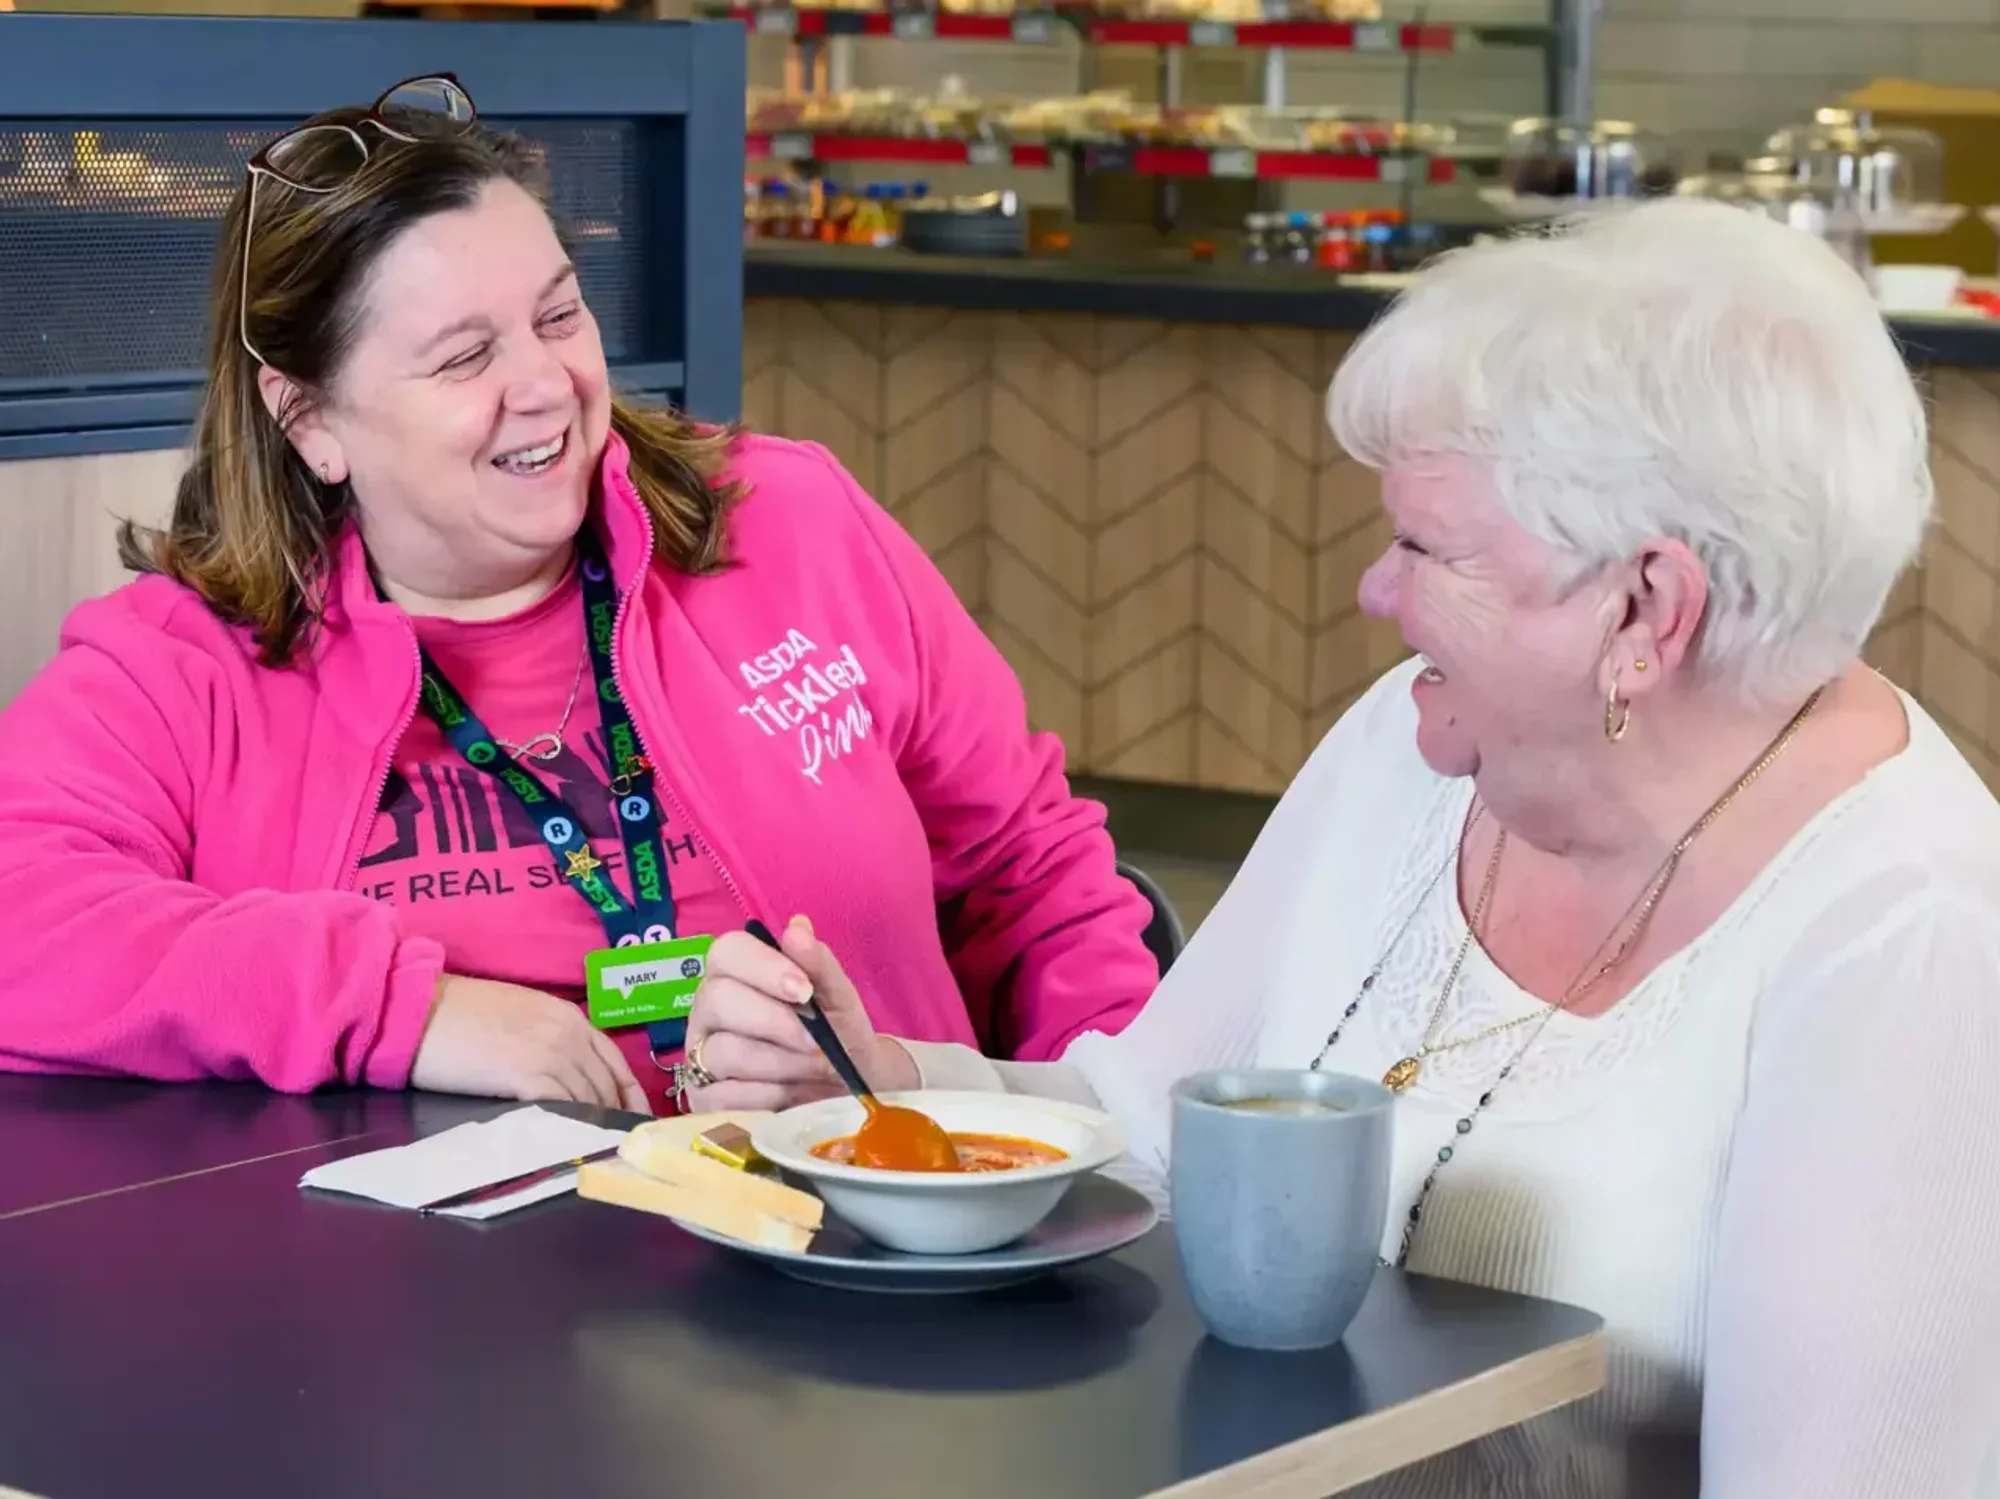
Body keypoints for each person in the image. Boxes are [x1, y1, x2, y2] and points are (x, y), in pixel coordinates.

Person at [690, 200, 2000, 1497]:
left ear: (1647, 607)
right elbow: (1146, 1125)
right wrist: (881, 1089)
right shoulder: (1418, 740)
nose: (1375, 589)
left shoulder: (1912, 929)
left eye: (1426, 545)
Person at [0, 77, 1157, 1117]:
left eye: (559, 315)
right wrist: (407, 1010)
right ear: (310, 420)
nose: (547, 385)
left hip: (862, 1269)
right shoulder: (188, 659)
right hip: (420, 1321)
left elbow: (1035, 872)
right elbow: (23, 915)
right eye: (464, 358)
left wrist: (1106, 1140)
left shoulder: (788, 522)